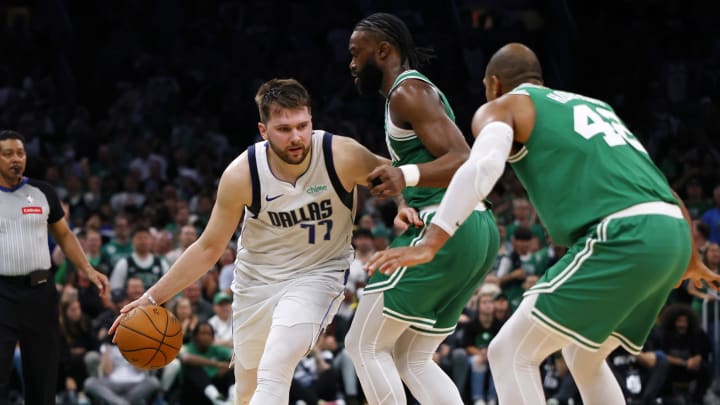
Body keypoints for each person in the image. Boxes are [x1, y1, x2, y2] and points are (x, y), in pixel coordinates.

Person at [365, 43, 720, 404]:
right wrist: (690, 256)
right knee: (584, 355)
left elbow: (482, 167)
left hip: (623, 233)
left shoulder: (503, 106)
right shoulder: (596, 107)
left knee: (509, 352)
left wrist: (432, 241)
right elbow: (660, 185)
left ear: (493, 84)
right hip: (671, 230)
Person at [110, 78, 389, 404]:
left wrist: (405, 206)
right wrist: (152, 297)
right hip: (256, 283)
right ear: (263, 129)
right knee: (248, 390)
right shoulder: (242, 174)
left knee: (276, 365)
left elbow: (395, 175)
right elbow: (208, 247)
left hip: (318, 275)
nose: (297, 137)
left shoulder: (340, 154)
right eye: (284, 129)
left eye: (303, 125)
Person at [345, 13, 499, 404]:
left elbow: (465, 160)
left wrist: (407, 176)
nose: (350, 63)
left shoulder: (407, 91)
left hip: (448, 229)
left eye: (355, 53)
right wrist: (403, 197)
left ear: (383, 50)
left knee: (362, 345)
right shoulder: (409, 95)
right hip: (472, 229)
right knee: (410, 358)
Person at [0, 130, 110, 404]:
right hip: (1, 294)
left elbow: (64, 236)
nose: (16, 159)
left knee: (43, 375)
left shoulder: (43, 192)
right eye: (8, 154)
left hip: (40, 292)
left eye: (20, 153)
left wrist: (88, 269)